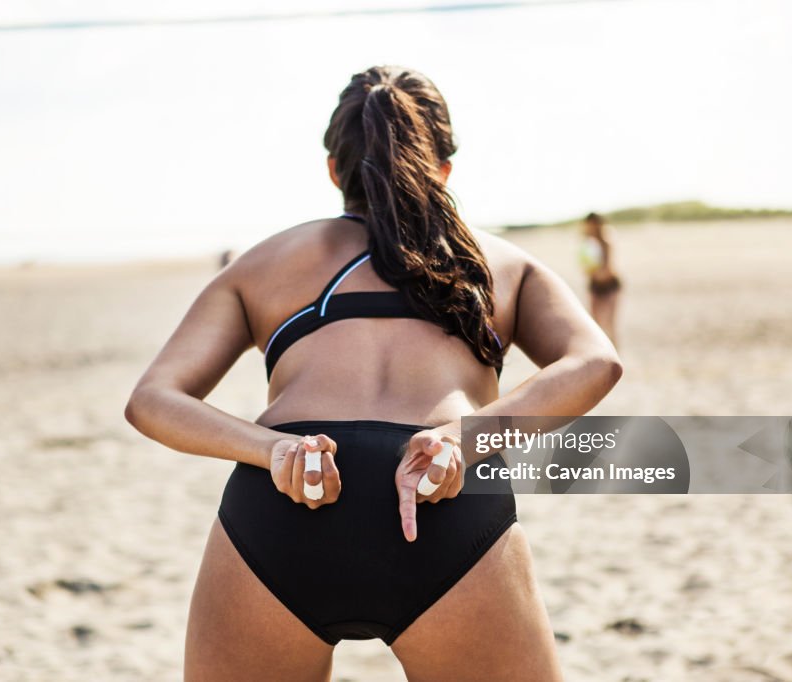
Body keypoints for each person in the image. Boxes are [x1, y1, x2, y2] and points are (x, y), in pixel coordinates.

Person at [125, 65, 622, 681]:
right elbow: (596, 362)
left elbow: (152, 399)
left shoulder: (267, 261)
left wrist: (274, 450)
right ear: (443, 168)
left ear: (335, 170)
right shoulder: (496, 260)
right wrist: (465, 440)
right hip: (443, 493)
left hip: (285, 502)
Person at [579, 212, 621, 345]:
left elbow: (608, 268)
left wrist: (595, 272)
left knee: (609, 324)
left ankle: (615, 359)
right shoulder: (586, 243)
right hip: (595, 286)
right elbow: (584, 266)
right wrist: (591, 271)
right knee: (594, 325)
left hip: (610, 285)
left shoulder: (606, 240)